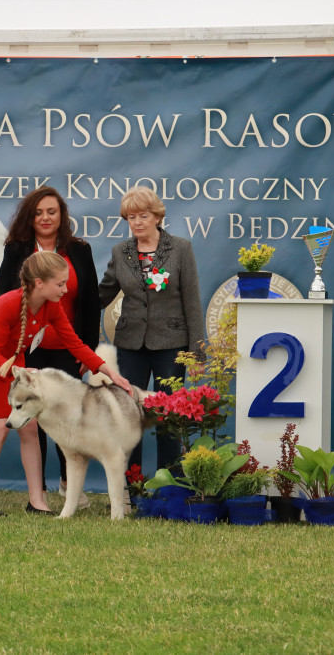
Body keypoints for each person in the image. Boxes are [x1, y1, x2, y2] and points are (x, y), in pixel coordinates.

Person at [0, 251, 131, 515]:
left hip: (13, 356)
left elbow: (73, 342)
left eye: (66, 283)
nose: (66, 290)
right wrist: (20, 372)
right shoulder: (7, 305)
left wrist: (108, 371)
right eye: (60, 284)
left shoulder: (51, 305)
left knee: (30, 429)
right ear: (39, 283)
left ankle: (37, 501)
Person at [0, 186, 99, 507]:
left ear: (61, 216)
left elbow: (91, 303)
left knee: (66, 418)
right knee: (33, 421)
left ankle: (70, 484)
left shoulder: (80, 250)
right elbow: (3, 299)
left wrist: (88, 350)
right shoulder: (16, 250)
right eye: (38, 212)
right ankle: (36, 492)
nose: (45, 218)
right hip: (28, 351)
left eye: (51, 212)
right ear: (30, 217)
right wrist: (11, 351)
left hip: (68, 350)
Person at [99, 186, 204, 472]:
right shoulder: (121, 252)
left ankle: (169, 484)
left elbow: (192, 301)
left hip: (171, 344)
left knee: (167, 415)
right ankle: (133, 487)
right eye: (130, 217)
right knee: (130, 414)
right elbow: (104, 292)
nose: (137, 222)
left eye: (143, 215)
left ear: (157, 216)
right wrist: (68, 300)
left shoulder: (181, 248)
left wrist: (196, 352)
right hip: (130, 345)